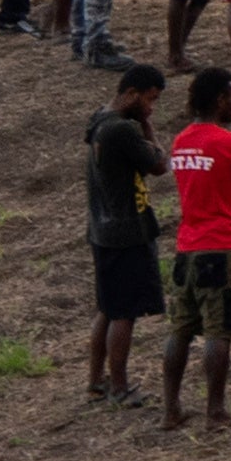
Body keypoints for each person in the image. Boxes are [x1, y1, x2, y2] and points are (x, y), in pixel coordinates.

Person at [155, 63, 231, 428]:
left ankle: (171, 409)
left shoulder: (181, 140)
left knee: (181, 329)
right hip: (224, 246)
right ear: (220, 101)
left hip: (187, 248)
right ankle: (215, 411)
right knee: (220, 330)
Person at [80, 58, 167, 400]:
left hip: (102, 229)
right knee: (124, 313)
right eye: (149, 99)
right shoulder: (123, 129)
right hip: (126, 231)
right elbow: (160, 165)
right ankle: (118, 387)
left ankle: (96, 382)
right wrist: (149, 130)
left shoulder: (101, 118)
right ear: (131, 94)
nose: (150, 107)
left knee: (108, 307)